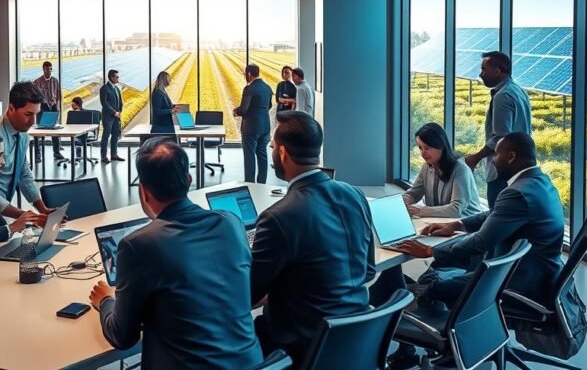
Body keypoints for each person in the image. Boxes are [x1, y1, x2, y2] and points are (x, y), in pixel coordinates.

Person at [389, 133, 565, 370]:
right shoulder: (538, 183)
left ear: (511, 156)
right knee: (433, 277)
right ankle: (452, 341)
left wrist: (431, 251)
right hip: (539, 273)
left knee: (430, 284)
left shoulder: (517, 192)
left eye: (496, 155)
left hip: (517, 283)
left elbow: (480, 242)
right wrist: (458, 225)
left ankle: (443, 343)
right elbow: (494, 214)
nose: (492, 161)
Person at [88, 138, 263, 370]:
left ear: (143, 191)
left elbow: (123, 337)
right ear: (189, 180)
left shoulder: (138, 245)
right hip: (252, 364)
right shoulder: (230, 222)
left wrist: (106, 301)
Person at [249, 111, 376, 363]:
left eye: (272, 147)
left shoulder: (278, 217)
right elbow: (368, 270)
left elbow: (249, 294)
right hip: (354, 334)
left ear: (282, 153)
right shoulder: (354, 194)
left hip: (302, 343)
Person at [463, 51, 532, 208]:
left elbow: (501, 138)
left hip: (502, 171)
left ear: (497, 71)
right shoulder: (519, 91)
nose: (480, 74)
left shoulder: (503, 96)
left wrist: (475, 158)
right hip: (518, 168)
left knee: (497, 213)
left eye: (484, 69)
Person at [0, 81, 56, 218]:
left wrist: (42, 209)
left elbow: (23, 173)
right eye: (28, 114)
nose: (33, 121)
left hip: (1, 209)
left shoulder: (22, 134)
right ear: (11, 109)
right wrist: (26, 216)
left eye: (36, 114)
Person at [404, 123, 483, 218]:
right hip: (441, 221)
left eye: (427, 148)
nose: (422, 153)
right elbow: (414, 193)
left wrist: (420, 210)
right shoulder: (426, 167)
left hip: (466, 223)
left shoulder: (461, 169)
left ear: (441, 146)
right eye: (420, 147)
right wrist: (405, 201)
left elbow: (456, 209)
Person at [233, 64, 273, 183]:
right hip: (265, 125)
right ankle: (262, 183)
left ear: (249, 74)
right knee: (262, 154)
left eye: (245, 74)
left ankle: (250, 183)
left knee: (249, 156)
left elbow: (243, 109)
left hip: (250, 127)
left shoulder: (249, 88)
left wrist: (236, 111)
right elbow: (269, 106)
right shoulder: (267, 87)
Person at [32, 61, 64, 161]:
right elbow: (34, 97)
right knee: (39, 132)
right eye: (47, 69)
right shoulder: (37, 82)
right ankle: (38, 154)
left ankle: (57, 152)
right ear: (43, 69)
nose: (49, 71)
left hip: (53, 107)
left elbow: (58, 94)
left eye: (50, 69)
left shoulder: (55, 81)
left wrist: (57, 106)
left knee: (55, 131)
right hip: (42, 107)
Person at [100, 69, 124, 163]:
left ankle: (114, 155)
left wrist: (120, 111)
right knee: (106, 136)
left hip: (116, 116)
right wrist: (114, 112)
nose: (118, 78)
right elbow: (104, 103)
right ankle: (103, 156)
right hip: (108, 116)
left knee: (115, 135)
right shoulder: (104, 88)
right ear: (111, 77)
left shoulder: (116, 88)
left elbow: (120, 101)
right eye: (117, 77)